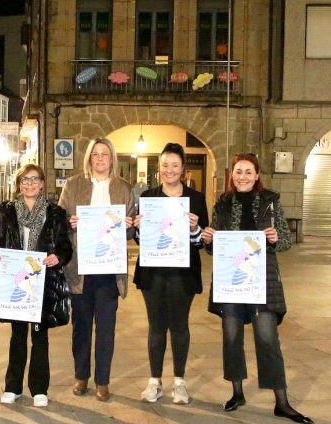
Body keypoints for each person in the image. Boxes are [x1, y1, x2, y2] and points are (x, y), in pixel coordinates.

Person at [201, 153, 313, 424]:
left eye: (248, 172)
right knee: (231, 338)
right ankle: (237, 393)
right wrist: (208, 239)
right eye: (238, 171)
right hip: (231, 281)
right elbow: (214, 246)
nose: (243, 177)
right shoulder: (223, 203)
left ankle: (282, 403)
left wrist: (275, 237)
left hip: (262, 281)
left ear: (257, 175)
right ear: (232, 175)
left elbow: (284, 242)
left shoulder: (270, 201)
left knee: (267, 338)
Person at [0, 164, 73, 407]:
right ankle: (12, 387)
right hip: (16, 281)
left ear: (43, 183)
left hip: (42, 282)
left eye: (35, 179)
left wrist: (59, 257)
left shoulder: (55, 213)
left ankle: (39, 389)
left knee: (39, 336)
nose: (30, 184)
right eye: (25, 179)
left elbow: (65, 246)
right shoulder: (8, 212)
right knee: (17, 336)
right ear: (19, 184)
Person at [58, 138, 135, 401]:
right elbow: (59, 222)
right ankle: (81, 376)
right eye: (95, 154)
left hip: (109, 270)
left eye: (105, 154)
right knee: (81, 326)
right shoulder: (73, 185)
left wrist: (128, 226)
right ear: (89, 158)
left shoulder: (124, 188)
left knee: (106, 328)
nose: (100, 158)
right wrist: (69, 222)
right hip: (81, 268)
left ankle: (103, 381)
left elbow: (131, 230)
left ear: (112, 158)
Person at [132, 142, 208, 404]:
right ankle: (155, 381)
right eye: (165, 165)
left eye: (175, 165)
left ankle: (179, 382)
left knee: (179, 325)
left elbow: (201, 242)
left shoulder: (196, 199)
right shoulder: (148, 198)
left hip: (183, 273)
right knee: (156, 326)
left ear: (183, 168)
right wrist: (139, 228)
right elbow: (142, 240)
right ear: (159, 168)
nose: (170, 170)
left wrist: (195, 229)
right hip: (152, 272)